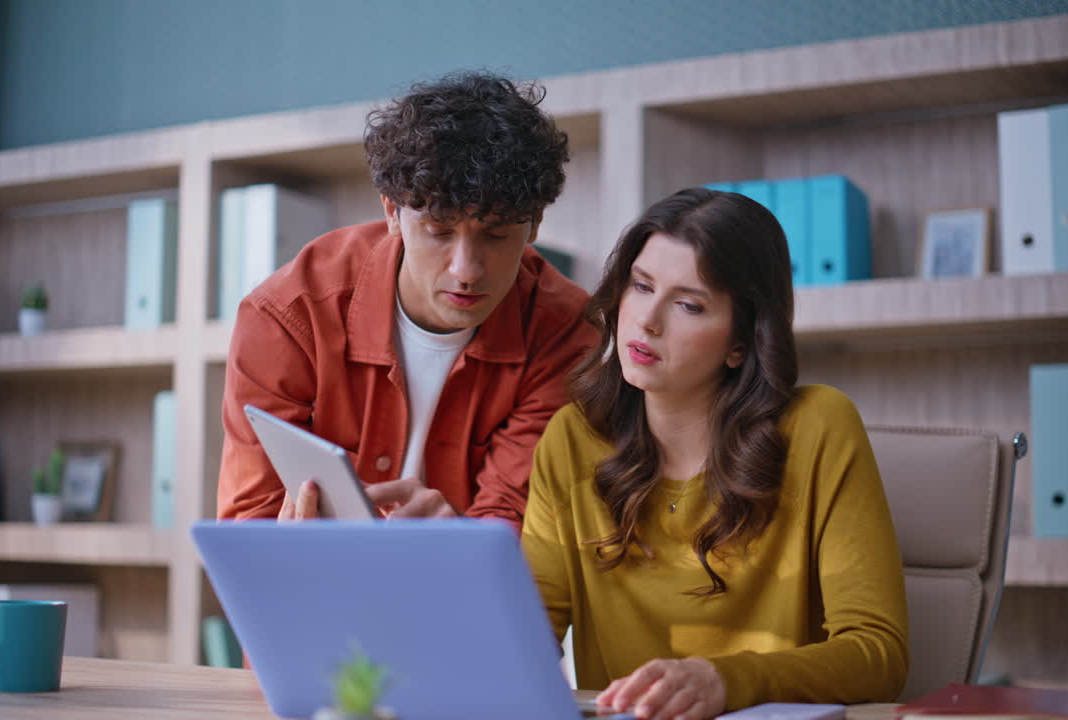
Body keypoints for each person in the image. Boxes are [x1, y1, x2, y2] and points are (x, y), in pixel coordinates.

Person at [521, 188, 909, 719]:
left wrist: (725, 681)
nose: (647, 320)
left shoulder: (819, 427)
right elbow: (523, 643)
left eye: (688, 304)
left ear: (741, 342)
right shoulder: (571, 439)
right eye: (640, 286)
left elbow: (878, 653)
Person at [217, 71, 597, 528]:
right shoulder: (287, 315)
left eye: (496, 235)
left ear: (534, 225)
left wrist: (457, 538)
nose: (466, 271)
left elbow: (517, 525)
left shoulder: (567, 330)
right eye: (439, 232)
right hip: (313, 589)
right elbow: (249, 523)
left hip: (464, 594)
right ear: (393, 211)